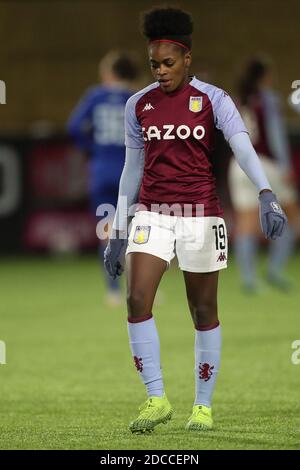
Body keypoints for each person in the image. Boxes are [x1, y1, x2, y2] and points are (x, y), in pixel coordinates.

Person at [104, 8, 287, 433]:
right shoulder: (139, 105)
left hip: (200, 214)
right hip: (153, 212)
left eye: (169, 63)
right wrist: (117, 229)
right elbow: (132, 170)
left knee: (203, 310)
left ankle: (202, 406)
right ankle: (156, 398)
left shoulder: (213, 99)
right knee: (136, 300)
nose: (161, 71)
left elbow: (242, 146)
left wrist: (265, 192)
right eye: (154, 64)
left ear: (187, 58)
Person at [68, 50, 139, 305]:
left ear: (110, 73)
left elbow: (74, 127)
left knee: (107, 230)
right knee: (132, 230)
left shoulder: (95, 95)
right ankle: (137, 286)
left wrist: (92, 148)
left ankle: (113, 290)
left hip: (101, 171)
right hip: (128, 170)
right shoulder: (135, 98)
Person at [229, 58, 298, 292]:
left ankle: (249, 280)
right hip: (265, 164)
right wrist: (286, 166)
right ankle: (274, 270)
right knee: (293, 219)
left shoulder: (238, 102)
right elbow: (276, 136)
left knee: (246, 226)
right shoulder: (268, 99)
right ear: (264, 77)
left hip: (238, 166)